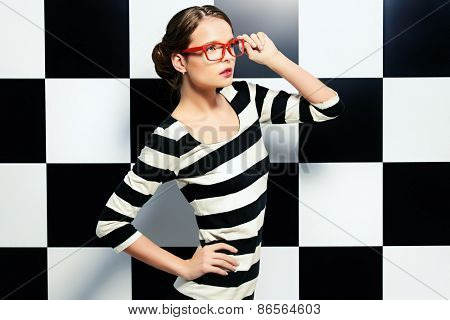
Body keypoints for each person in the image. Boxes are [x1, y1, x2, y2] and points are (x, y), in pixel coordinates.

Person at [95, 5, 345, 300]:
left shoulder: (246, 98)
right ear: (180, 61)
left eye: (229, 45)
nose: (227, 56)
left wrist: (274, 59)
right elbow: (110, 224)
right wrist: (184, 267)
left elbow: (328, 107)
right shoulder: (171, 139)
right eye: (213, 48)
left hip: (244, 292)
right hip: (206, 298)